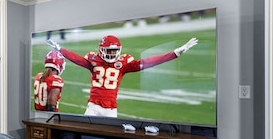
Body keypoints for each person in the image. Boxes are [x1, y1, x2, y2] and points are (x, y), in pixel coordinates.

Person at [47, 35, 198, 117]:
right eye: (110, 51)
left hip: (111, 109)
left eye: (114, 51)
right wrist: (61, 50)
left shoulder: (124, 63)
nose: (112, 54)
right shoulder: (94, 60)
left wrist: (175, 53)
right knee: (85, 135)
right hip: (93, 106)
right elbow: (78, 59)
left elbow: (149, 62)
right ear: (101, 50)